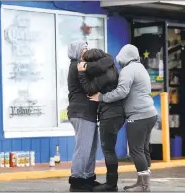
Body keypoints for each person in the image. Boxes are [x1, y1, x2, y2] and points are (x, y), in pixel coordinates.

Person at [89, 44, 158, 192]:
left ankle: (144, 186)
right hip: (150, 113)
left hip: (138, 115)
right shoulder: (141, 68)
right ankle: (142, 182)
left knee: (136, 150)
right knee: (143, 149)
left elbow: (121, 91)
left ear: (124, 56)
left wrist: (102, 97)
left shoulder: (128, 70)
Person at [77, 49, 125, 192]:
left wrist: (81, 72)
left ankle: (111, 185)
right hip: (116, 113)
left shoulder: (103, 76)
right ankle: (111, 183)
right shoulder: (110, 67)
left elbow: (89, 89)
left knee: (108, 150)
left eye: (87, 62)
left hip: (110, 114)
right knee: (110, 149)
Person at [67, 40, 100, 192]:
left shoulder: (81, 65)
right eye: (84, 49)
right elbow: (90, 85)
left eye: (87, 49)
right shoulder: (77, 66)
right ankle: (77, 180)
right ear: (77, 51)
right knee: (83, 147)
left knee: (91, 147)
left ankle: (88, 177)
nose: (86, 51)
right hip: (81, 112)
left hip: (88, 113)